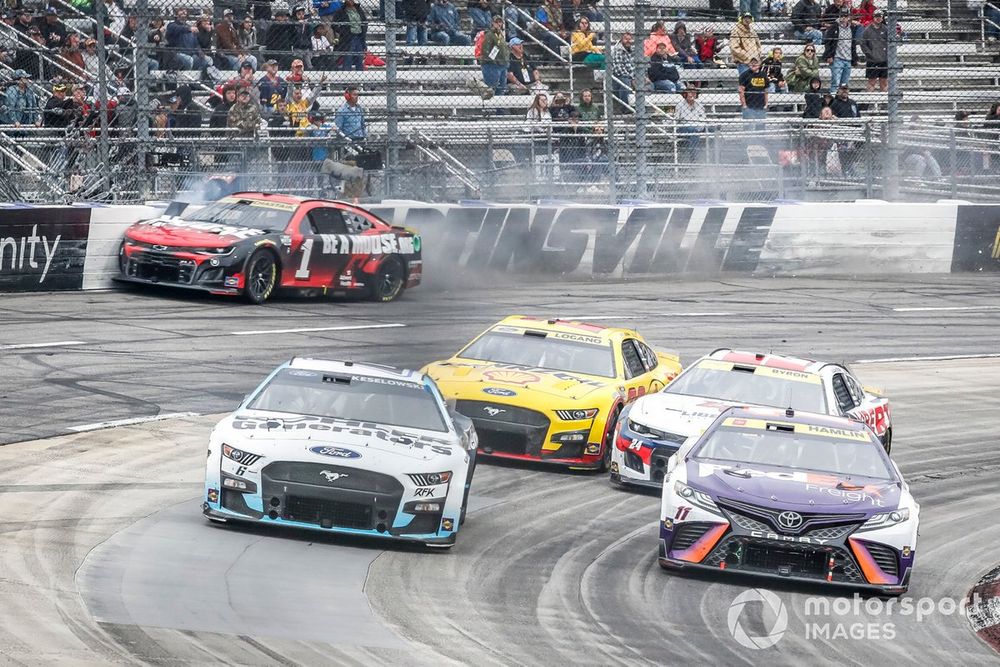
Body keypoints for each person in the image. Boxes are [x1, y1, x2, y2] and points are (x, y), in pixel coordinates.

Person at [823, 10, 858, 92]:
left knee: (844, 84)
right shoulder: (834, 27)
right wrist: (829, 55)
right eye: (842, 16)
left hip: (848, 58)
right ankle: (833, 99)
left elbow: (853, 44)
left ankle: (841, 101)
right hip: (837, 58)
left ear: (848, 17)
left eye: (845, 16)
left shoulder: (851, 28)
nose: (843, 18)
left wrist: (854, 58)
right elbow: (828, 42)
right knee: (835, 82)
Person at [479, 15, 510, 96]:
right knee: (492, 87)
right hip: (492, 65)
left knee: (502, 87)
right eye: (496, 22)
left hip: (502, 64)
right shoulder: (489, 35)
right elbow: (485, 51)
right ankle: (489, 107)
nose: (499, 24)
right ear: (492, 23)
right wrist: (494, 61)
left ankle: (499, 107)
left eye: (500, 22)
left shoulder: (501, 34)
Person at [674, 88, 707, 159]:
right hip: (683, 127)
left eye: (694, 93)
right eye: (690, 92)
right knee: (693, 131)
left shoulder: (700, 105)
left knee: (714, 129)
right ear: (685, 94)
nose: (692, 94)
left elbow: (703, 118)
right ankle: (693, 158)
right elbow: (676, 119)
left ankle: (717, 157)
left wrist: (699, 127)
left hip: (697, 126)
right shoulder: (680, 105)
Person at [860, 10, 888, 92]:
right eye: (876, 16)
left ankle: (885, 103)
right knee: (872, 82)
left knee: (884, 82)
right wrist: (869, 53)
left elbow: (890, 43)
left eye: (880, 16)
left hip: (884, 59)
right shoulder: (867, 30)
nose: (878, 18)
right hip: (872, 60)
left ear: (882, 18)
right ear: (873, 17)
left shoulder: (886, 29)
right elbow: (863, 43)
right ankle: (869, 102)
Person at [738, 57, 768, 122]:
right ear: (749, 64)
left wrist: (766, 104)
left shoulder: (763, 74)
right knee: (748, 126)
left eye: (755, 63)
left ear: (759, 64)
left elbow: (766, 91)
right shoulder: (744, 75)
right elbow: (741, 91)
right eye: (752, 63)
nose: (753, 64)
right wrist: (744, 105)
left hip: (761, 106)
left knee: (761, 127)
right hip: (749, 106)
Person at [610, 32, 637, 106]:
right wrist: (632, 79)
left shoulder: (633, 51)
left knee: (649, 83)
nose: (628, 41)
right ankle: (625, 107)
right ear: (621, 40)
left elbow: (638, 67)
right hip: (618, 77)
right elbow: (619, 70)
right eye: (626, 39)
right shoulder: (618, 50)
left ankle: (643, 106)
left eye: (629, 39)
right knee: (626, 81)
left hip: (632, 77)